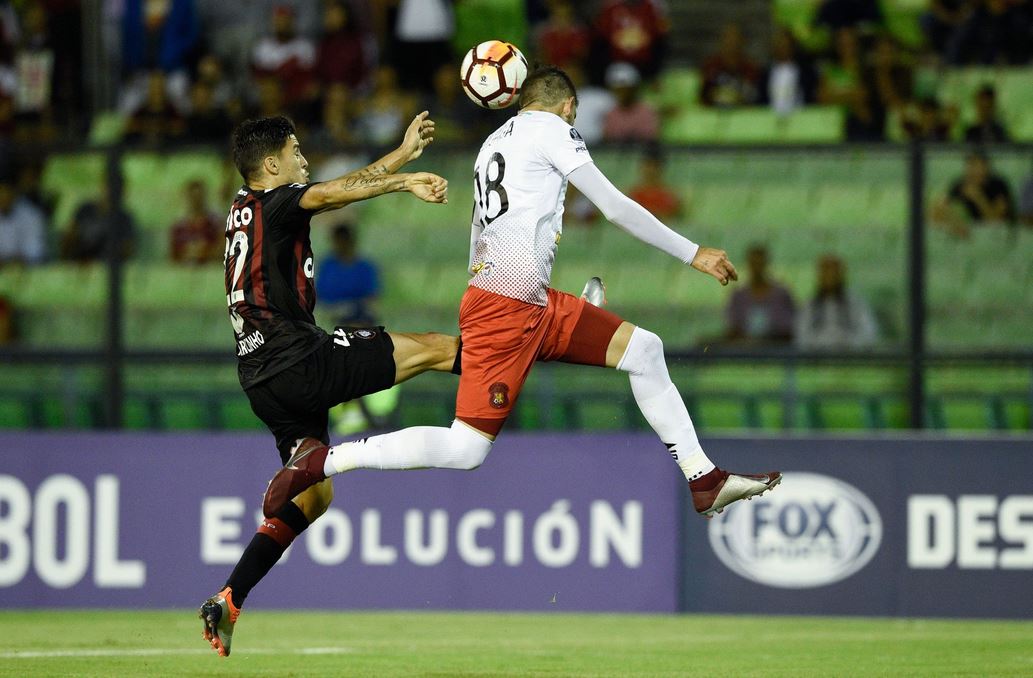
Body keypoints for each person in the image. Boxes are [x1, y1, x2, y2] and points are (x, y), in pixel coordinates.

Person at [262, 66, 781, 621]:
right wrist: (693, 252)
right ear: (564, 107)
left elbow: (483, 236)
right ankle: (326, 462)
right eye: (574, 118)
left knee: (645, 350)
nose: (574, 128)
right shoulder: (550, 128)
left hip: (520, 299)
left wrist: (522, 315)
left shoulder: (493, 143)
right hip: (510, 307)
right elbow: (613, 206)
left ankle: (704, 478)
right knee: (467, 450)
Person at [198, 112, 457, 656]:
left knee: (316, 497)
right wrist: (402, 180)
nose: (304, 159)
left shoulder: (244, 208)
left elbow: (334, 189)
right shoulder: (281, 200)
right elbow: (334, 194)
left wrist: (401, 154)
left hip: (259, 378)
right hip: (298, 357)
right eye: (296, 151)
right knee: (436, 348)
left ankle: (231, 596)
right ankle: (543, 343)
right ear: (272, 165)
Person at [795, 254, 878, 350]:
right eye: (826, 272)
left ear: (841, 275)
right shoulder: (809, 305)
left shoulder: (855, 304)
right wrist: (821, 344)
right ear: (819, 276)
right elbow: (801, 336)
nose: (830, 277)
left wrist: (847, 344)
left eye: (834, 272)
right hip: (817, 358)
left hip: (849, 358)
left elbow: (868, 333)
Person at [931, 150, 1015, 236]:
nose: (976, 170)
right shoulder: (960, 184)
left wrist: (978, 199)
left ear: (987, 167)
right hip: (969, 237)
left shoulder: (998, 185)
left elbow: (996, 221)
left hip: (999, 236)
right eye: (972, 165)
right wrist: (954, 223)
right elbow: (937, 210)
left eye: (980, 165)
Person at [724, 244, 796, 345]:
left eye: (760, 263)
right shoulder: (738, 296)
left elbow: (789, 329)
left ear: (766, 264)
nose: (757, 268)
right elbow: (732, 328)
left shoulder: (781, 294)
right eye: (754, 264)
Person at [316, 222, 380, 327]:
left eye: (344, 240)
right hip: (331, 312)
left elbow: (371, 297)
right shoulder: (326, 266)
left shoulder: (365, 267)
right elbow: (319, 295)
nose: (342, 245)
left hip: (358, 313)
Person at [700, 23, 760, 108]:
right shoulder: (711, 66)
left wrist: (739, 97)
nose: (731, 42)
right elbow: (702, 96)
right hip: (714, 115)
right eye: (727, 37)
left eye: (735, 38)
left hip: (744, 115)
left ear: (742, 41)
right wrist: (715, 95)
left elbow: (756, 98)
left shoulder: (751, 68)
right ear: (721, 41)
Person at [601, 62, 659, 143]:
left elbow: (650, 138)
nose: (622, 93)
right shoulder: (611, 112)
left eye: (625, 89)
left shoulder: (647, 111)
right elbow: (607, 139)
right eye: (618, 89)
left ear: (634, 89)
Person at [169, 179, 223, 264]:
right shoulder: (179, 228)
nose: (196, 201)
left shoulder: (215, 225)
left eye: (199, 197)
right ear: (187, 198)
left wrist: (204, 252)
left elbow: (222, 252)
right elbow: (172, 256)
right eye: (193, 197)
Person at [0, 170, 46, 266]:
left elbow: (35, 253)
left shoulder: (32, 215)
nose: (2, 198)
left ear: (14, 192)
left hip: (24, 272)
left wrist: (13, 262)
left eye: (5, 192)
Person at [628, 148, 682, 220]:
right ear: (642, 167)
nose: (651, 170)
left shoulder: (671, 198)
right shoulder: (632, 196)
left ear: (661, 168)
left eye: (654, 166)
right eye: (648, 165)